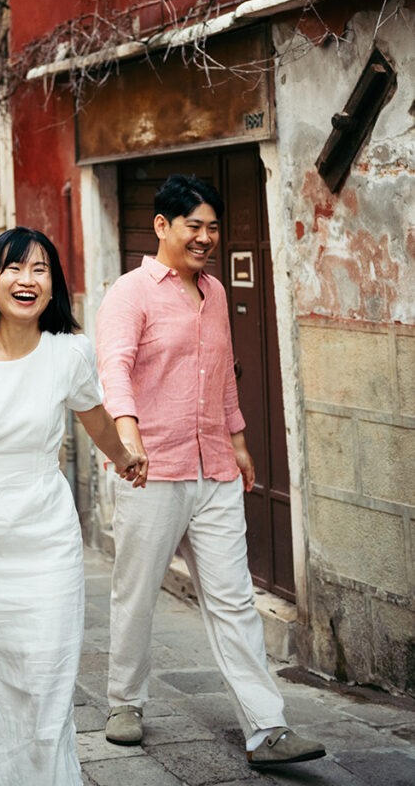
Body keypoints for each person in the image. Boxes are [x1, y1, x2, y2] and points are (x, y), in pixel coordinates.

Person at [95, 174, 325, 767]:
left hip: (214, 467)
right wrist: (128, 436)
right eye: (193, 226)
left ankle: (265, 728)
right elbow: (114, 368)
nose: (205, 238)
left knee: (233, 600)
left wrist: (240, 442)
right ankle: (125, 702)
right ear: (163, 227)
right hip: (153, 468)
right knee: (137, 591)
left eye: (213, 228)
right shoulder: (130, 292)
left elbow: (223, 374)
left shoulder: (216, 293)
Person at [0, 226, 148, 786]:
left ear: (53, 285)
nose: (27, 280)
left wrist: (126, 456)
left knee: (46, 669)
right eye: (13, 269)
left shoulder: (69, 353)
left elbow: (95, 418)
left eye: (40, 269)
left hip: (47, 538)